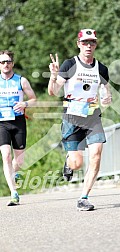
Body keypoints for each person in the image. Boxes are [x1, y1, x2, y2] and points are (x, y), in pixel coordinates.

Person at [48, 29, 111, 211]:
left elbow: (107, 90)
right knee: (77, 163)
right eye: (85, 42)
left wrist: (107, 97)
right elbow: (53, 92)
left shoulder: (101, 68)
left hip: (93, 117)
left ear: (96, 45)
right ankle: (68, 161)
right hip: (72, 117)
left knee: (96, 154)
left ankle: (84, 197)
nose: (89, 46)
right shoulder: (69, 64)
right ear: (79, 44)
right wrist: (53, 75)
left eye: (92, 42)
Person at [0, 50, 36, 206]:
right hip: (1, 122)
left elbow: (34, 99)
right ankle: (14, 193)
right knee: (6, 155)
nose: (5, 64)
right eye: (2, 62)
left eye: (8, 61)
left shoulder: (21, 81)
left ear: (12, 64)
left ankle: (15, 172)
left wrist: (25, 103)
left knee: (19, 159)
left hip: (18, 121)